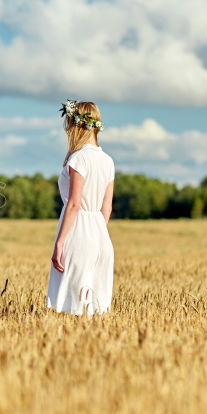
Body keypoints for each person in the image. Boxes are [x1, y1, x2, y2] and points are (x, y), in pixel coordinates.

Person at [47, 99, 116, 316]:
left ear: (75, 125)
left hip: (78, 234)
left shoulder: (79, 159)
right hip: (100, 235)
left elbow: (74, 204)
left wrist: (60, 242)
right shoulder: (107, 160)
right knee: (94, 304)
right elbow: (107, 208)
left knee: (72, 305)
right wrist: (97, 232)